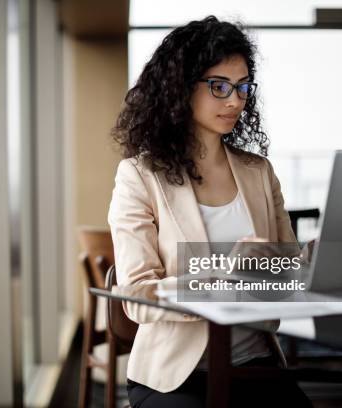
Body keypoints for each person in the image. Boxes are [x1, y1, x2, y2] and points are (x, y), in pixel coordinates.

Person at [108, 16, 313, 407]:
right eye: (219, 86)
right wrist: (223, 278)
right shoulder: (139, 177)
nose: (235, 100)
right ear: (180, 88)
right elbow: (135, 296)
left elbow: (286, 272)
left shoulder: (259, 172)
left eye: (242, 87)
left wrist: (307, 266)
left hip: (255, 363)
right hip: (175, 376)